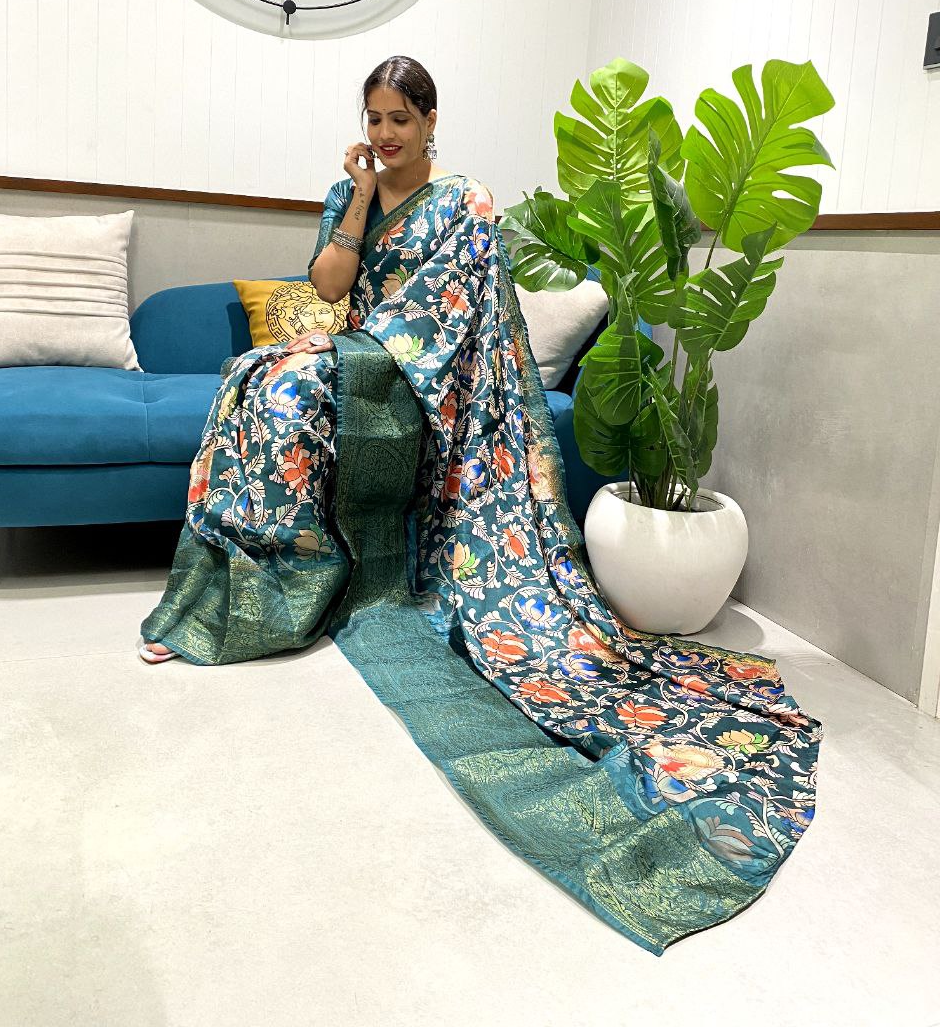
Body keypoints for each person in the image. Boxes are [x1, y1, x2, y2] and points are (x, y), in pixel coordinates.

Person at [137, 55, 822, 953]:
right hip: (358, 349)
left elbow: (449, 315)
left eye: (401, 119)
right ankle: (252, 587)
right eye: (374, 118)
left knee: (291, 386)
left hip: (423, 370)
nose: (386, 134)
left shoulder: (465, 203)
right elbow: (330, 289)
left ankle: (293, 583)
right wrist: (356, 200)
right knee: (255, 380)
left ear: (430, 122)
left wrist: (357, 350)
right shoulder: (350, 193)